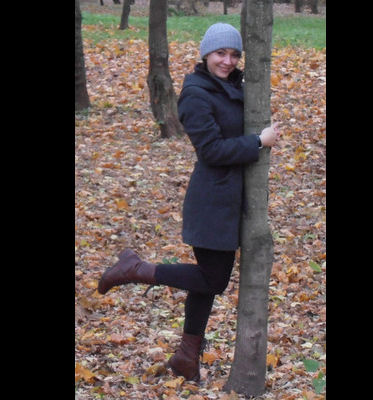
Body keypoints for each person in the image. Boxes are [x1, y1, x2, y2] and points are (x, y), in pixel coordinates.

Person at [97, 22, 280, 382]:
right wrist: (258, 142)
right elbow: (211, 150)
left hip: (230, 201)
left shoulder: (232, 85)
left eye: (234, 54)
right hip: (212, 202)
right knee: (213, 280)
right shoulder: (195, 94)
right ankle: (136, 269)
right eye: (220, 53)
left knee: (205, 283)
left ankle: (186, 357)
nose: (227, 61)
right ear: (206, 54)